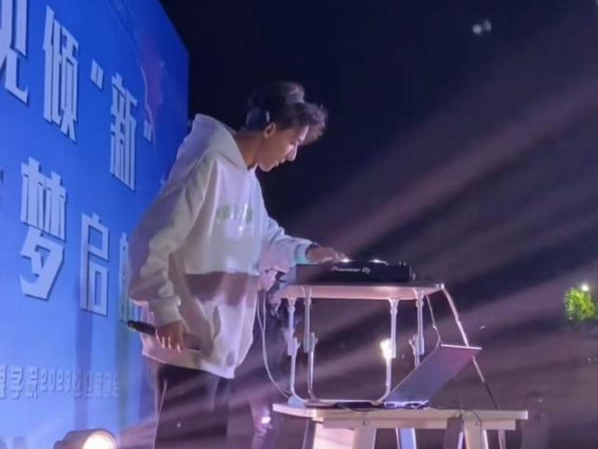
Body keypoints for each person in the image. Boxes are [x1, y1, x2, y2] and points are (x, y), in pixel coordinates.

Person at [128, 81, 344, 449]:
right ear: (270, 129)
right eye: (292, 143)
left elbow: (267, 239)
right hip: (186, 349)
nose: (292, 156)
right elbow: (150, 241)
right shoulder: (208, 162)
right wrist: (165, 311)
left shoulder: (247, 181)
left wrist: (309, 252)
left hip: (216, 351)